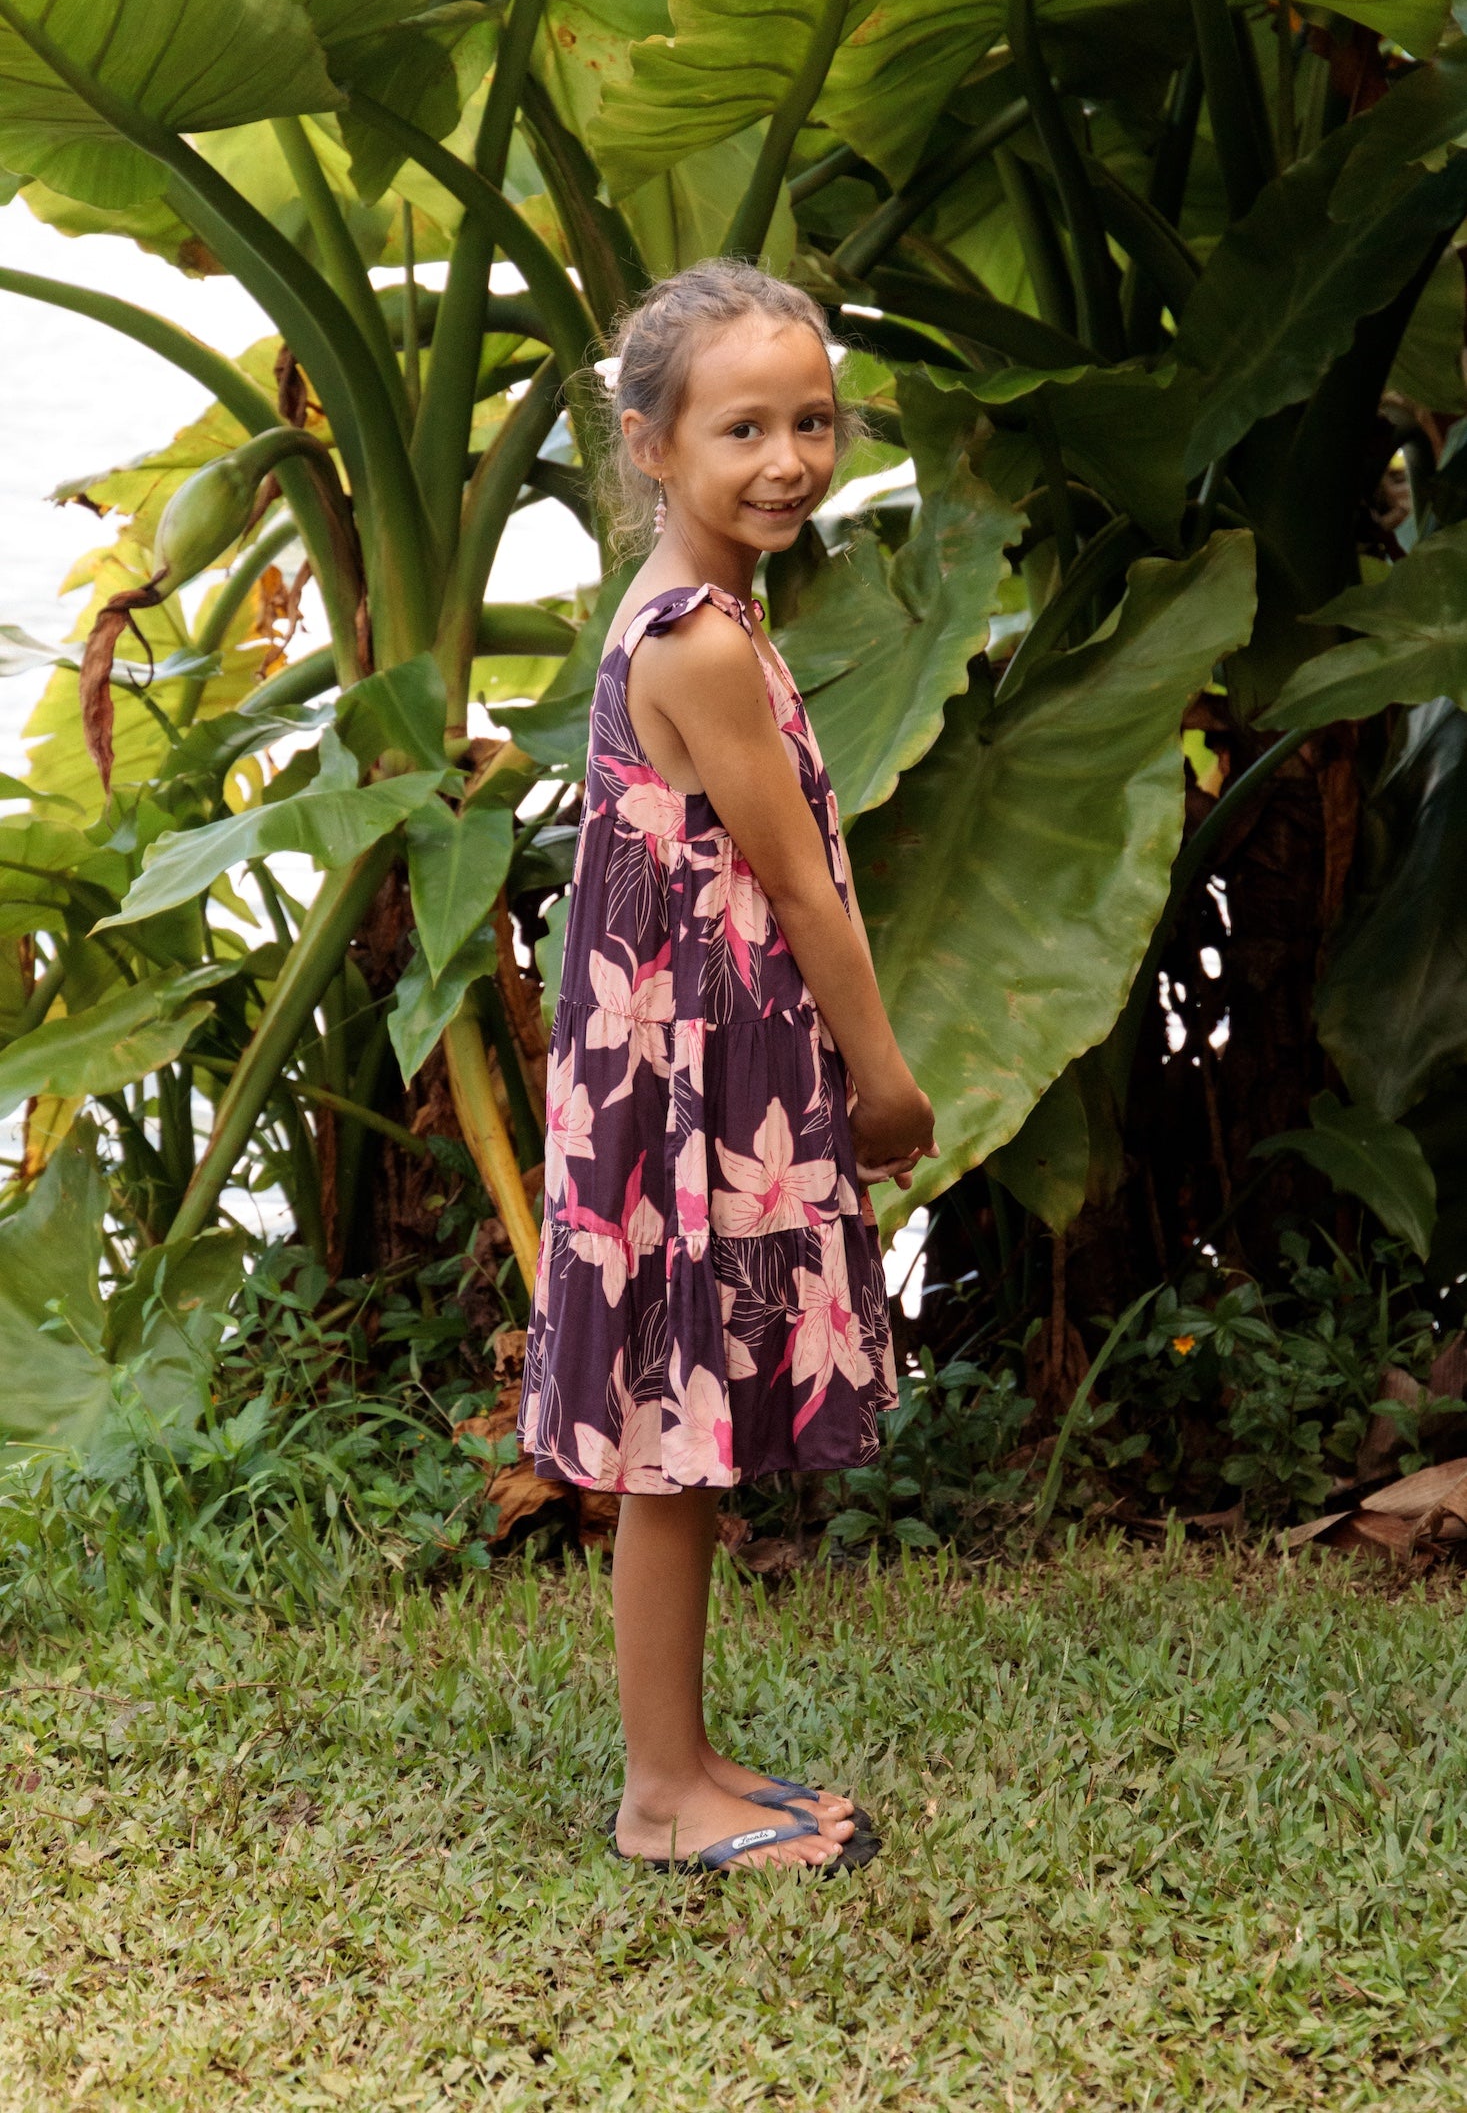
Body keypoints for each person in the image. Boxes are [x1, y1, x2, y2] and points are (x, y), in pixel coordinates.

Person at [518, 259, 938, 1874]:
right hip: (691, 1083)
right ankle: (656, 1796)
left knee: (676, 1441)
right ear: (648, 446)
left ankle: (682, 1760)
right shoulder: (697, 642)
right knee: (667, 1445)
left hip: (684, 1060)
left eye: (814, 422)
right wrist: (883, 1072)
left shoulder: (696, 613)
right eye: (742, 427)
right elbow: (803, 888)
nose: (788, 459)